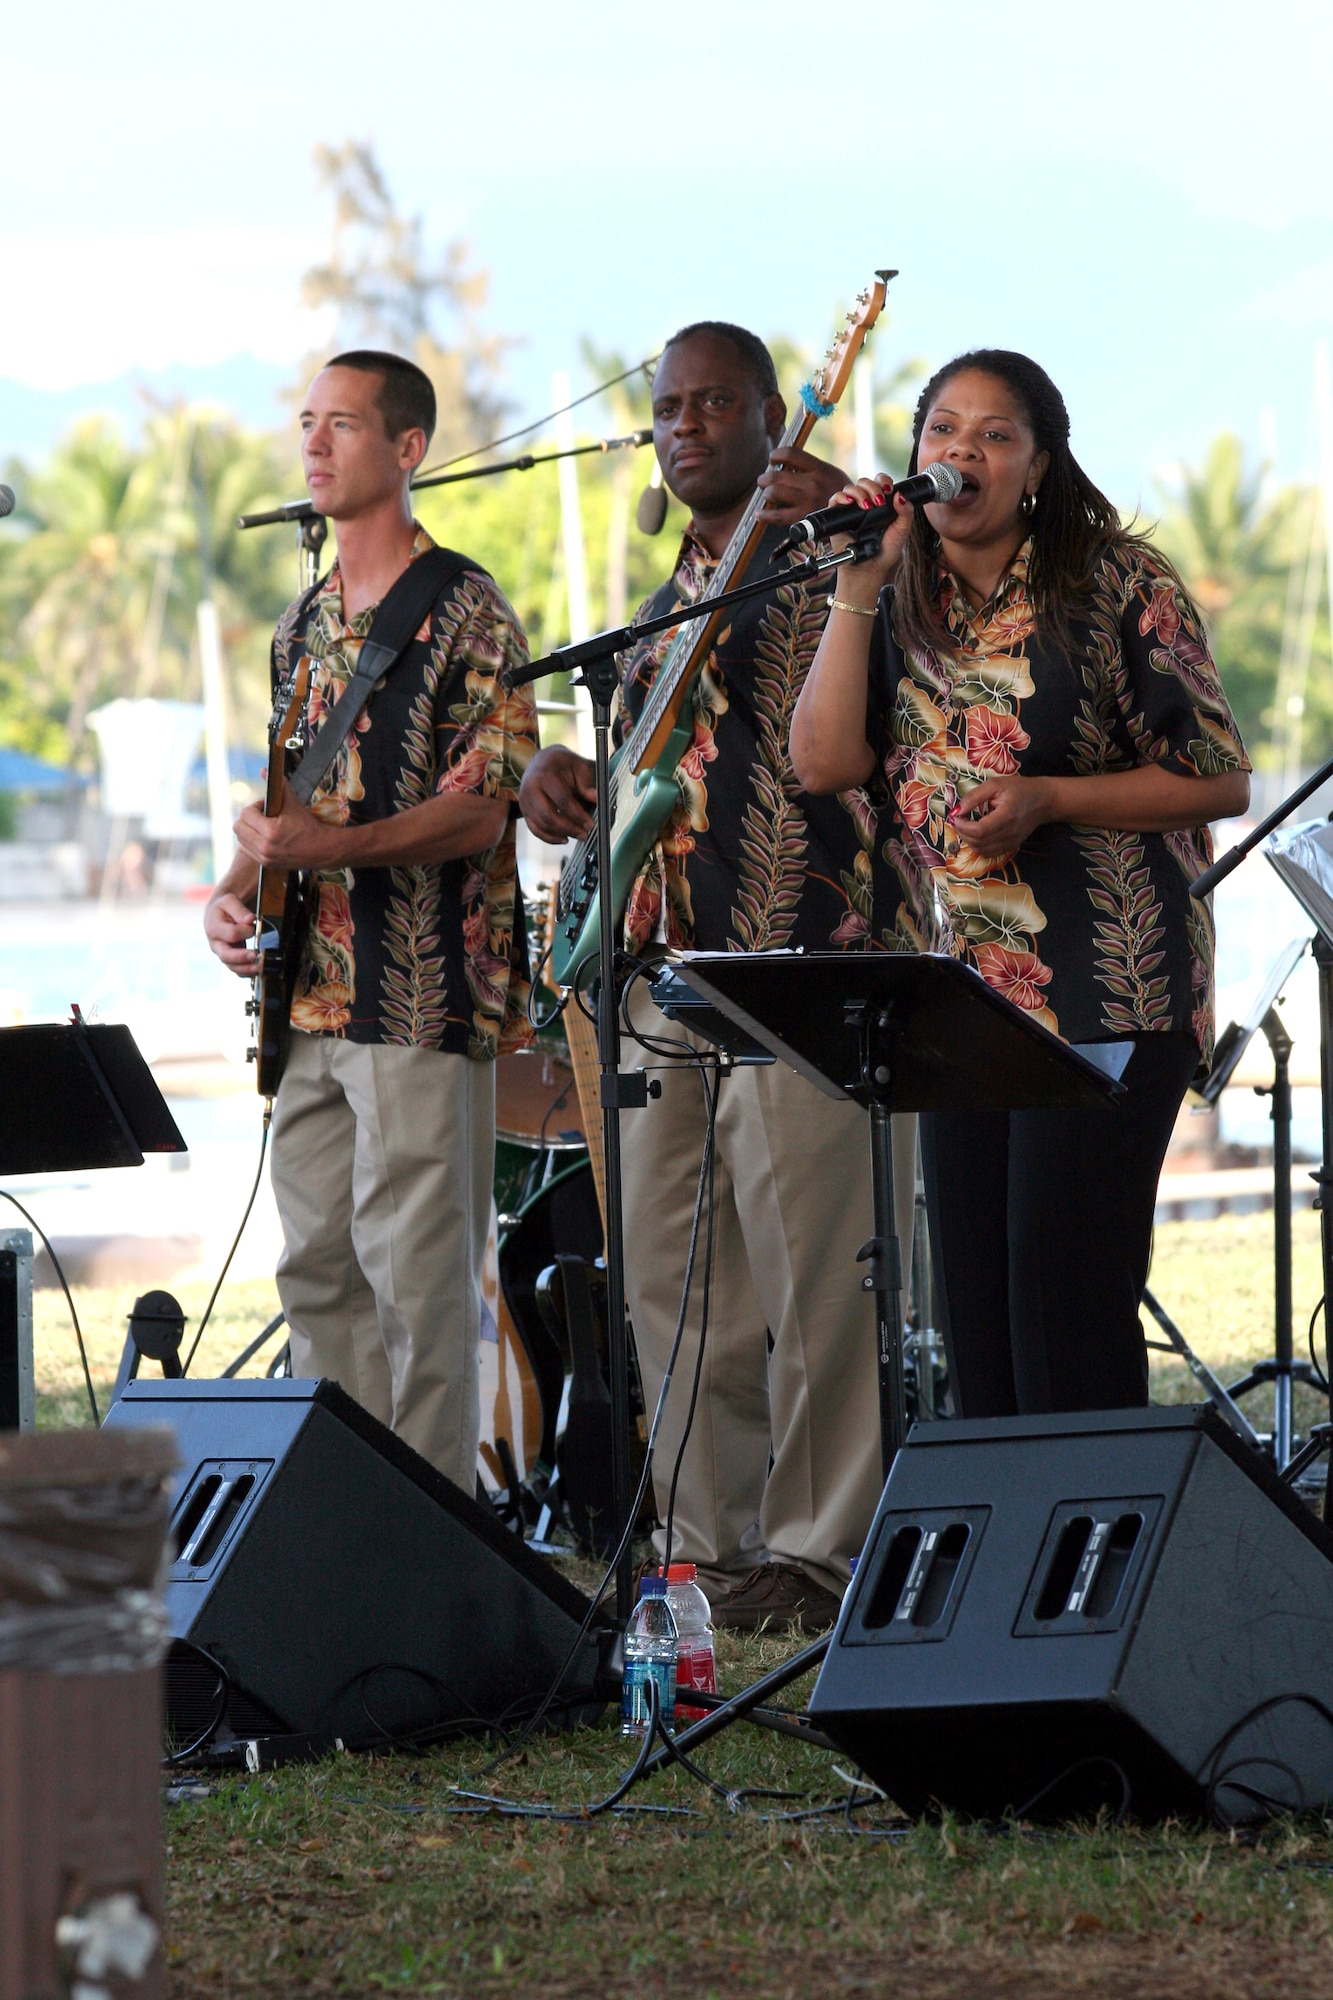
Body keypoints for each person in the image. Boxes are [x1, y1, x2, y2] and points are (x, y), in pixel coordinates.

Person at [520, 323, 916, 1630]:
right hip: (659, 975)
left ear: (767, 417)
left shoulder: (829, 558)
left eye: (711, 405)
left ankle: (816, 1551)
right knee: (674, 1279)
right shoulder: (669, 593)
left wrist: (839, 519)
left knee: (813, 1275)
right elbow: (643, 771)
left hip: (800, 960)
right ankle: (706, 1547)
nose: (682, 426)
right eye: (665, 408)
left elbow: (871, 723)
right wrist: (565, 784)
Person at [790, 348, 1250, 1418]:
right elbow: (822, 763)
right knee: (979, 1318)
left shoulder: (1115, 581)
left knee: (1063, 1299)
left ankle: (1099, 1566)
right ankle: (1008, 1565)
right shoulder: (897, 589)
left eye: (995, 435)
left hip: (1110, 991)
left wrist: (1049, 797)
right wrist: (855, 583)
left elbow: (1215, 776)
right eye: (942, 431)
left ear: (1039, 466)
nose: (961, 452)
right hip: (965, 1003)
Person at [204, 349, 537, 1491]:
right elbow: (293, 797)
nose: (312, 442)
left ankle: (430, 1541)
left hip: (419, 992)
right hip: (304, 998)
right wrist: (233, 890)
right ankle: (336, 1521)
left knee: (420, 1285)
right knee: (319, 1276)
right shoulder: (299, 624)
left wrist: (327, 849)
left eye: (341, 423)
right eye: (307, 421)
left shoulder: (468, 611)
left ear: (406, 450)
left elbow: (484, 812)